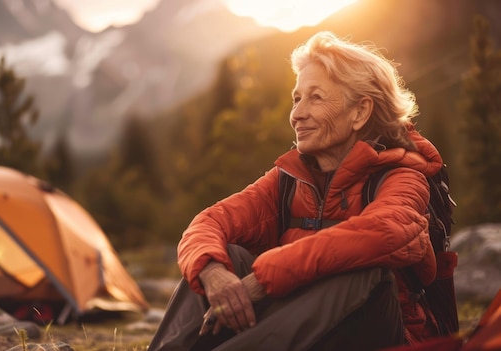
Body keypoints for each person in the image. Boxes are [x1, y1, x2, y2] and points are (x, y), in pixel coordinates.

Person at [148, 31, 442, 351]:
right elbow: (208, 222)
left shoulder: (402, 176)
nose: (297, 114)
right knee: (222, 257)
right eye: (297, 98)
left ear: (360, 111)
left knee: (364, 271)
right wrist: (213, 272)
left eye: (315, 97)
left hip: (382, 334)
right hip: (301, 329)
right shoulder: (288, 180)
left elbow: (385, 232)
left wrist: (262, 280)